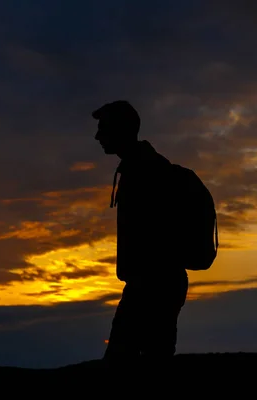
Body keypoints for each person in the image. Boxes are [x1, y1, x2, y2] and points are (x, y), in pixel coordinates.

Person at [92, 100, 189, 364]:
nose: (97, 136)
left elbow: (153, 234)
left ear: (121, 129)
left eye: (104, 128)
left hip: (152, 286)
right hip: (155, 284)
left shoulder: (143, 171)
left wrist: (145, 278)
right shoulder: (142, 167)